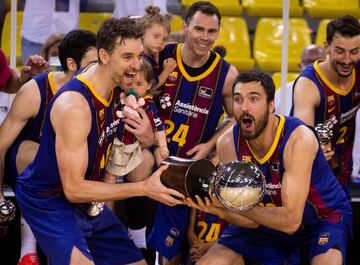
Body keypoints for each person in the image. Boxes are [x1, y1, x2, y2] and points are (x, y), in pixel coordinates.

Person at [14, 17, 184, 265]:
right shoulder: (74, 106)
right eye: (127, 57)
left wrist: (148, 134)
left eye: (139, 56)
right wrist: (144, 187)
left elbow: (147, 138)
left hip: (88, 199)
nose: (137, 66)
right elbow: (73, 190)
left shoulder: (118, 84)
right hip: (51, 198)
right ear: (104, 56)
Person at [185, 71, 352, 265]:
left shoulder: (298, 139)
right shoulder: (228, 143)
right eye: (238, 100)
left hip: (321, 220)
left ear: (271, 105)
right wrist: (220, 210)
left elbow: (291, 221)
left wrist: (233, 205)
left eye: (253, 99)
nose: (244, 107)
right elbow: (250, 221)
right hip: (267, 222)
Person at [147, 1, 238, 264]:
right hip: (156, 157)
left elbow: (236, 117)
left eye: (212, 32)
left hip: (192, 170)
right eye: (199, 29)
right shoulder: (161, 56)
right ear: (185, 26)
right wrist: (148, 140)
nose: (205, 37)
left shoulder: (226, 73)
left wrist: (210, 144)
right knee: (169, 252)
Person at [0, 29, 98, 264]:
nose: (100, 69)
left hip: (67, 177)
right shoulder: (36, 90)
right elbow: (0, 146)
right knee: (48, 158)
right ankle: (28, 248)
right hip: (26, 165)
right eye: (93, 64)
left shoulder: (100, 92)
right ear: (72, 64)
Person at [292, 15, 360, 192]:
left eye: (354, 51)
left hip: (343, 167)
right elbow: (304, 138)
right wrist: (315, 148)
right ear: (326, 47)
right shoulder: (308, 84)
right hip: (310, 171)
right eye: (340, 51)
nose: (347, 60)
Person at [275, 44, 326, 115]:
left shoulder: (337, 92)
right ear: (299, 67)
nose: (313, 66)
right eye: (308, 62)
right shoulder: (282, 93)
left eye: (318, 61)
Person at [138, 6, 177, 91]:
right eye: (156, 36)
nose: (160, 42)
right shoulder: (141, 60)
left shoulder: (150, 55)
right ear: (142, 33)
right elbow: (152, 86)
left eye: (164, 39)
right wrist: (166, 71)